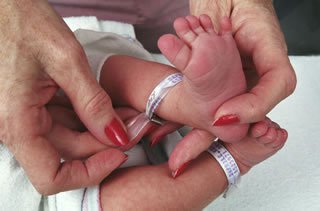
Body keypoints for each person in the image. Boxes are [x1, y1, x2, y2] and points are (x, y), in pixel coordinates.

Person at [0, 0, 295, 195]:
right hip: (45, 172)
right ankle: (226, 150)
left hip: (40, 38)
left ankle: (190, 105)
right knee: (117, 201)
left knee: (79, 65)